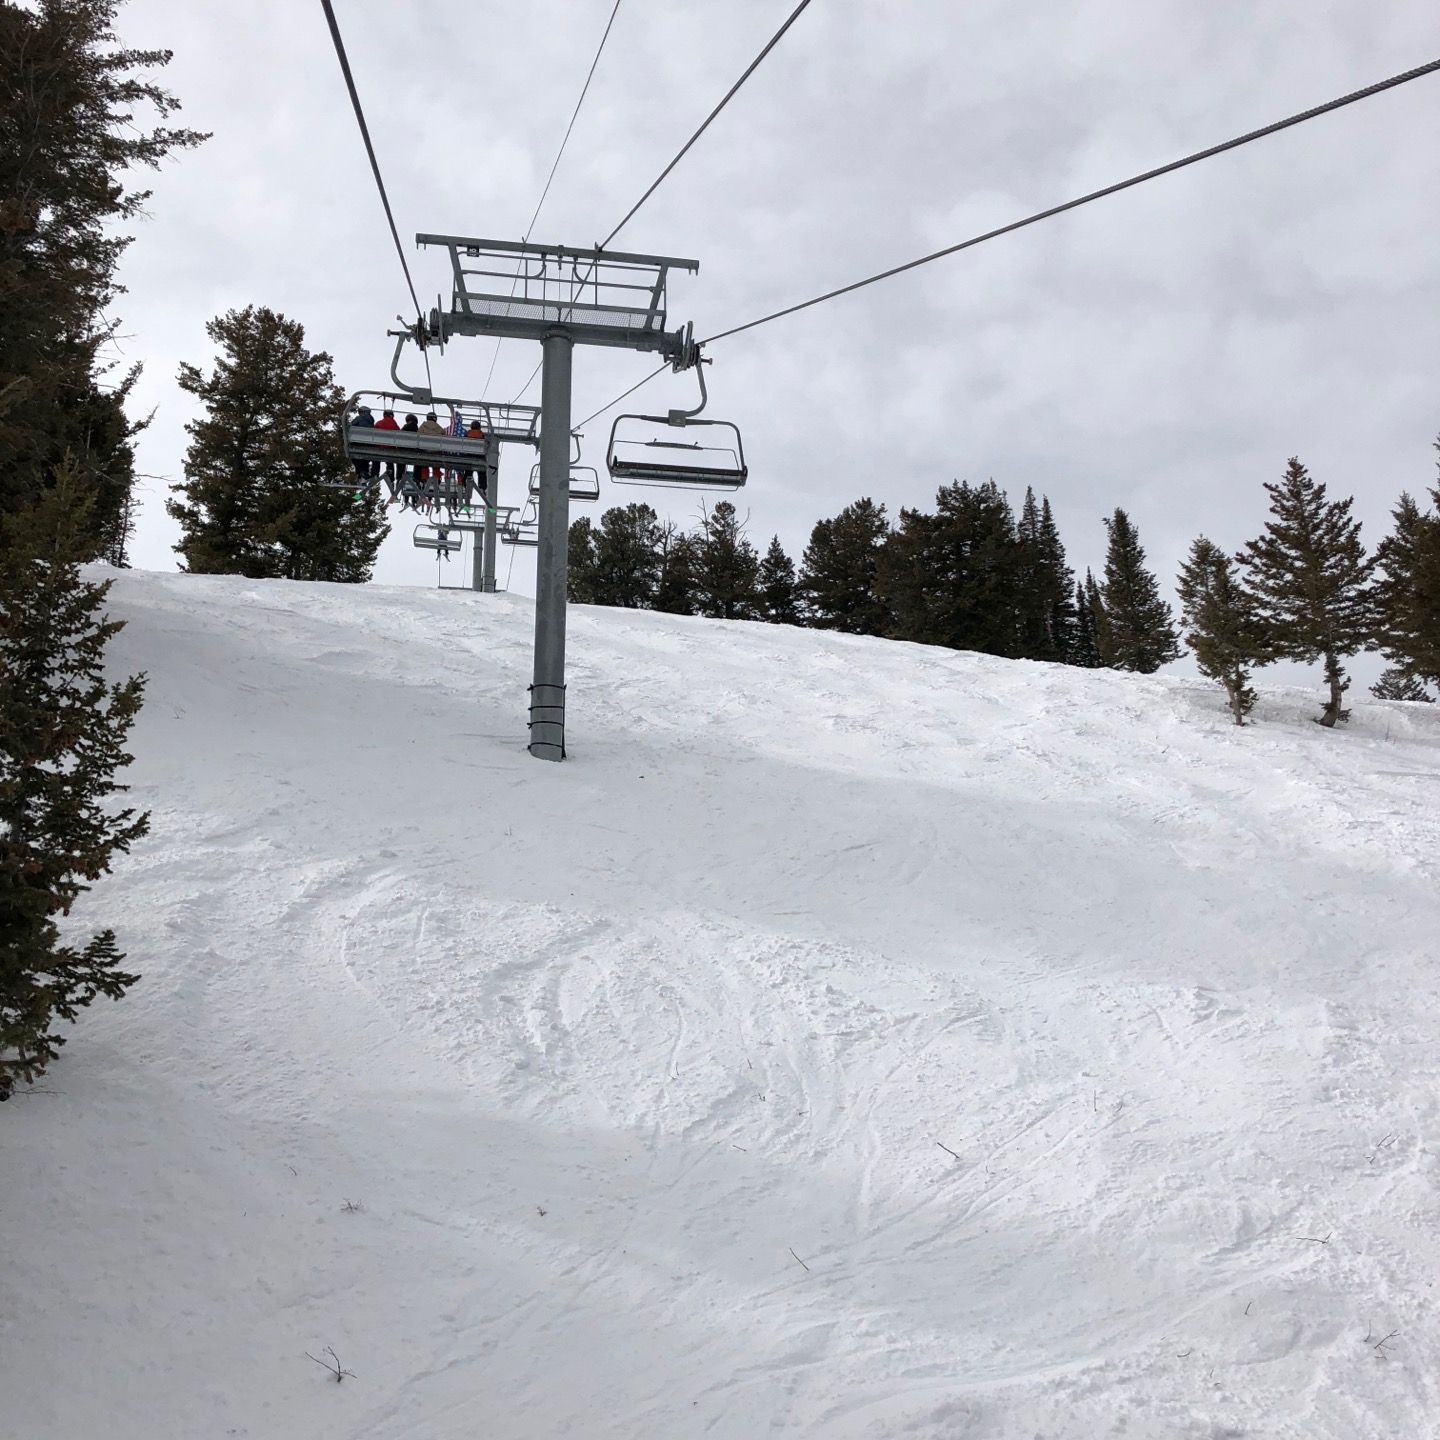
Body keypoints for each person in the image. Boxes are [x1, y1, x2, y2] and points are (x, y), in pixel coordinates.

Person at [374, 407, 401, 499]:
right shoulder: (394, 424)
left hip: (379, 448)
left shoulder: (378, 423)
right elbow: (399, 434)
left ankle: (374, 474)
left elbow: (373, 433)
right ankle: (391, 478)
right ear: (391, 416)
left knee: (376, 460)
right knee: (390, 462)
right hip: (390, 448)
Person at [348, 404, 375, 481]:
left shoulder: (359, 418)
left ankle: (360, 472)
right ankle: (364, 473)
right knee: (364, 458)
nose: (359, 414)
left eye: (360, 412)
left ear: (363, 412)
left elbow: (351, 426)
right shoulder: (371, 421)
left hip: (358, 442)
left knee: (354, 457)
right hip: (368, 444)